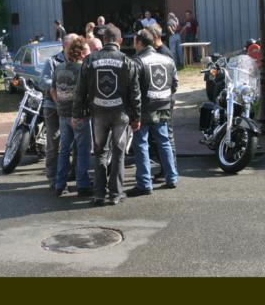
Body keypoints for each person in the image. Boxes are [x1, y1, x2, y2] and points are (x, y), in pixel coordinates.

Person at [73, 24, 141, 206]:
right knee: (118, 153)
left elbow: (80, 90)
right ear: (120, 41)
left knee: (100, 153)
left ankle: (99, 194)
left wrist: (77, 114)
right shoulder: (127, 61)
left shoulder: (90, 60)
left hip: (98, 113)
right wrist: (136, 117)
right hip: (121, 114)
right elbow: (135, 93)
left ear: (103, 40)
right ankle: (115, 194)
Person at [128, 29, 178, 196]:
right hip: (163, 106)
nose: (134, 45)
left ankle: (144, 183)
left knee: (141, 144)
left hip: (144, 109)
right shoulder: (167, 60)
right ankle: (172, 177)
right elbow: (175, 84)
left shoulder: (137, 61)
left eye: (135, 42)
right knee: (164, 142)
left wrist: (134, 113)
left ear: (140, 43)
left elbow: (133, 91)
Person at [52, 37, 92, 197]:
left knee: (64, 150)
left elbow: (52, 89)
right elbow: (87, 93)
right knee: (82, 150)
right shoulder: (83, 69)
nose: (89, 53)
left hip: (63, 114)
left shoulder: (59, 67)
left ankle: (59, 184)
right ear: (81, 53)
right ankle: (83, 185)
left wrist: (59, 104)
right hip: (80, 116)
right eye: (87, 50)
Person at [39, 33, 78, 189]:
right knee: (54, 141)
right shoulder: (52, 61)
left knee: (76, 142)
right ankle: (53, 176)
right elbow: (43, 82)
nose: (78, 47)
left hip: (73, 108)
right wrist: (60, 84)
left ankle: (74, 172)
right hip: (53, 107)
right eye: (74, 45)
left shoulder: (78, 60)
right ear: (65, 46)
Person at [145, 24, 177, 178]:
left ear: (155, 36)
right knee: (163, 136)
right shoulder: (160, 51)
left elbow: (172, 81)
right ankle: (167, 169)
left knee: (167, 136)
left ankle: (170, 169)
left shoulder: (164, 53)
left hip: (165, 100)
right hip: (163, 99)